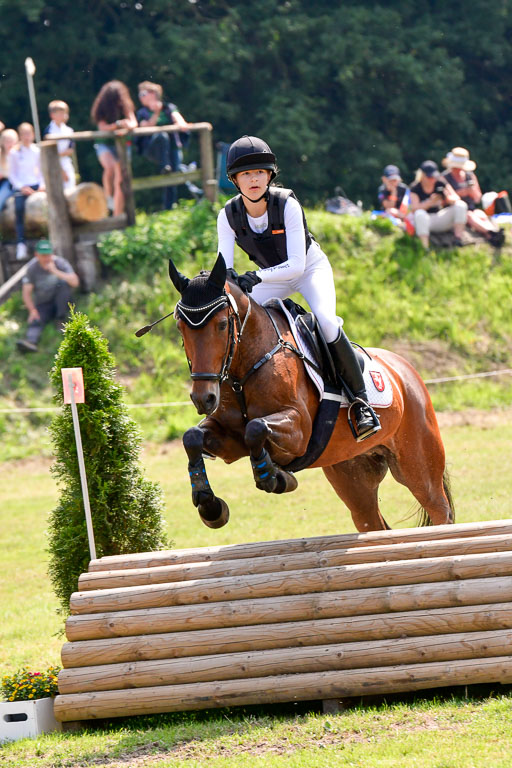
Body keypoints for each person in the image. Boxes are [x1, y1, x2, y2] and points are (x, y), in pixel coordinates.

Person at [217, 135, 381, 442]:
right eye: (246, 174)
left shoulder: (287, 204)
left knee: (327, 321)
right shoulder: (227, 215)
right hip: (270, 278)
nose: (254, 179)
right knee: (234, 321)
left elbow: (296, 265)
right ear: (235, 180)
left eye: (260, 173)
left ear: (269, 175)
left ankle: (361, 403)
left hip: (308, 269)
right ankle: (230, 404)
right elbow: (225, 268)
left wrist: (256, 277)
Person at [16, 239, 79, 352]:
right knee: (36, 319)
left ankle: (61, 320)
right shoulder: (32, 269)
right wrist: (32, 310)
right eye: (43, 255)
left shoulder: (60, 263)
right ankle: (30, 342)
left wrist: (55, 271)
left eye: (48, 255)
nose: (46, 258)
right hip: (43, 304)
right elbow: (26, 293)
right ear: (36, 255)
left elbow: (75, 282)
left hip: (61, 301)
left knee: (64, 285)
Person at [136, 81, 190, 209]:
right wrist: (156, 112)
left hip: (172, 148)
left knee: (173, 177)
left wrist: (178, 122)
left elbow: (180, 122)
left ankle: (169, 209)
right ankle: (165, 164)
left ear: (153, 94)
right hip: (153, 150)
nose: (140, 97)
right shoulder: (143, 112)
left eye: (143, 94)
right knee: (162, 136)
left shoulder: (169, 108)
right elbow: (146, 126)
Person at [90, 81, 137, 216]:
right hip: (104, 143)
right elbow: (102, 127)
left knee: (120, 181)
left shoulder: (125, 105)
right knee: (110, 167)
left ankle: (117, 213)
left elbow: (134, 122)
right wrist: (117, 125)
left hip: (122, 144)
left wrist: (127, 124)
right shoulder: (102, 107)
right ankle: (108, 197)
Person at [441, 147, 504, 247]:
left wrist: (471, 192)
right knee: (469, 215)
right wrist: (461, 193)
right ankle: (492, 232)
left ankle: (492, 237)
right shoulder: (444, 178)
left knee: (480, 214)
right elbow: (444, 201)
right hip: (455, 211)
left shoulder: (470, 176)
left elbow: (477, 198)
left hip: (471, 208)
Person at [410, 160, 468, 248]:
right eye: (429, 177)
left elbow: (456, 198)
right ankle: (425, 247)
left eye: (433, 177)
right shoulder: (415, 188)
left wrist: (446, 198)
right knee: (419, 213)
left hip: (440, 217)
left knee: (461, 205)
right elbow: (414, 209)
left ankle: (458, 239)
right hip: (426, 221)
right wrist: (430, 202)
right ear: (422, 175)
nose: (432, 180)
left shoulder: (441, 184)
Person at [8, 123, 45, 261]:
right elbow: (12, 175)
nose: (26, 137)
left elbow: (41, 171)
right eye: (23, 134)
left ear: (33, 134)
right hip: (21, 186)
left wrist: (42, 185)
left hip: (36, 185)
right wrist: (22, 187)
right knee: (19, 209)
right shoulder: (14, 152)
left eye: (28, 133)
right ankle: (21, 243)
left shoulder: (37, 150)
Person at [43, 100, 76, 192]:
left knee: (71, 188)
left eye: (65, 113)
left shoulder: (69, 130)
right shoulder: (49, 131)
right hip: (54, 164)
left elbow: (71, 149)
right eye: (61, 113)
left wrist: (61, 154)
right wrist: (61, 170)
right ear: (52, 115)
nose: (64, 116)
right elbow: (49, 152)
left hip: (66, 162)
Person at [0, 128, 18, 211]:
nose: (9, 144)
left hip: (20, 181)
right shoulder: (1, 155)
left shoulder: (20, 153)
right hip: (7, 182)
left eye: (11, 141)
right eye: (7, 141)